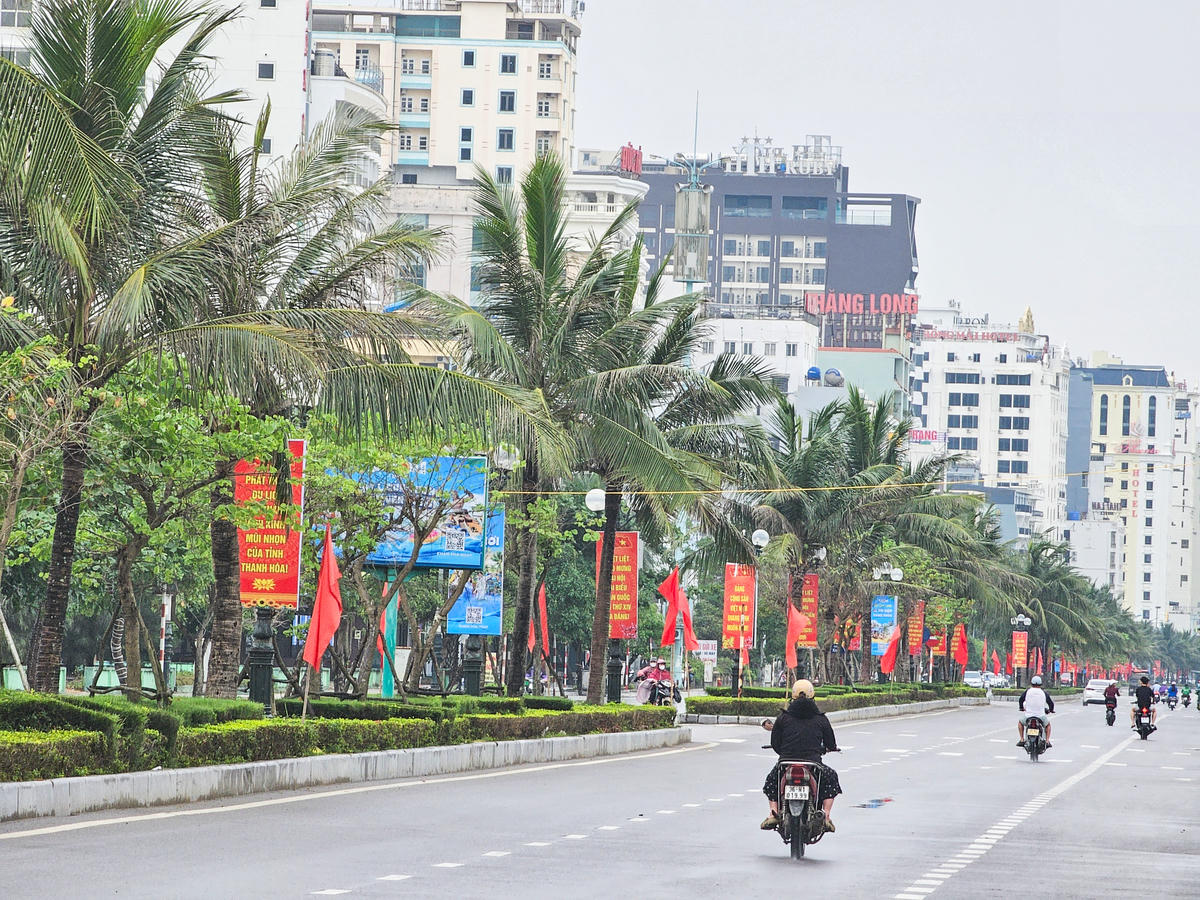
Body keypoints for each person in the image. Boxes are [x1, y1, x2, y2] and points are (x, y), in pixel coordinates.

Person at [759, 679, 842, 833]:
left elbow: (775, 743)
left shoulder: (783, 718)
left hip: (786, 762)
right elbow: (831, 743)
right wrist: (829, 748)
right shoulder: (821, 719)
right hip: (813, 763)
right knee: (831, 778)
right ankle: (827, 816)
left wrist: (785, 753)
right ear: (813, 696)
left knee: (772, 780)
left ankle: (773, 813)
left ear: (793, 696)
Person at [1017, 675, 1055, 747]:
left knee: (1020, 723)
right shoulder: (1043, 693)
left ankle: (1022, 739)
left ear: (1031, 683)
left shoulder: (1028, 691)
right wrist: (1051, 710)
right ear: (1040, 684)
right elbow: (1050, 703)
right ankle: (1047, 741)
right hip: (1040, 716)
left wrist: (1021, 707)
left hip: (1028, 716)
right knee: (1048, 726)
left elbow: (1021, 699)